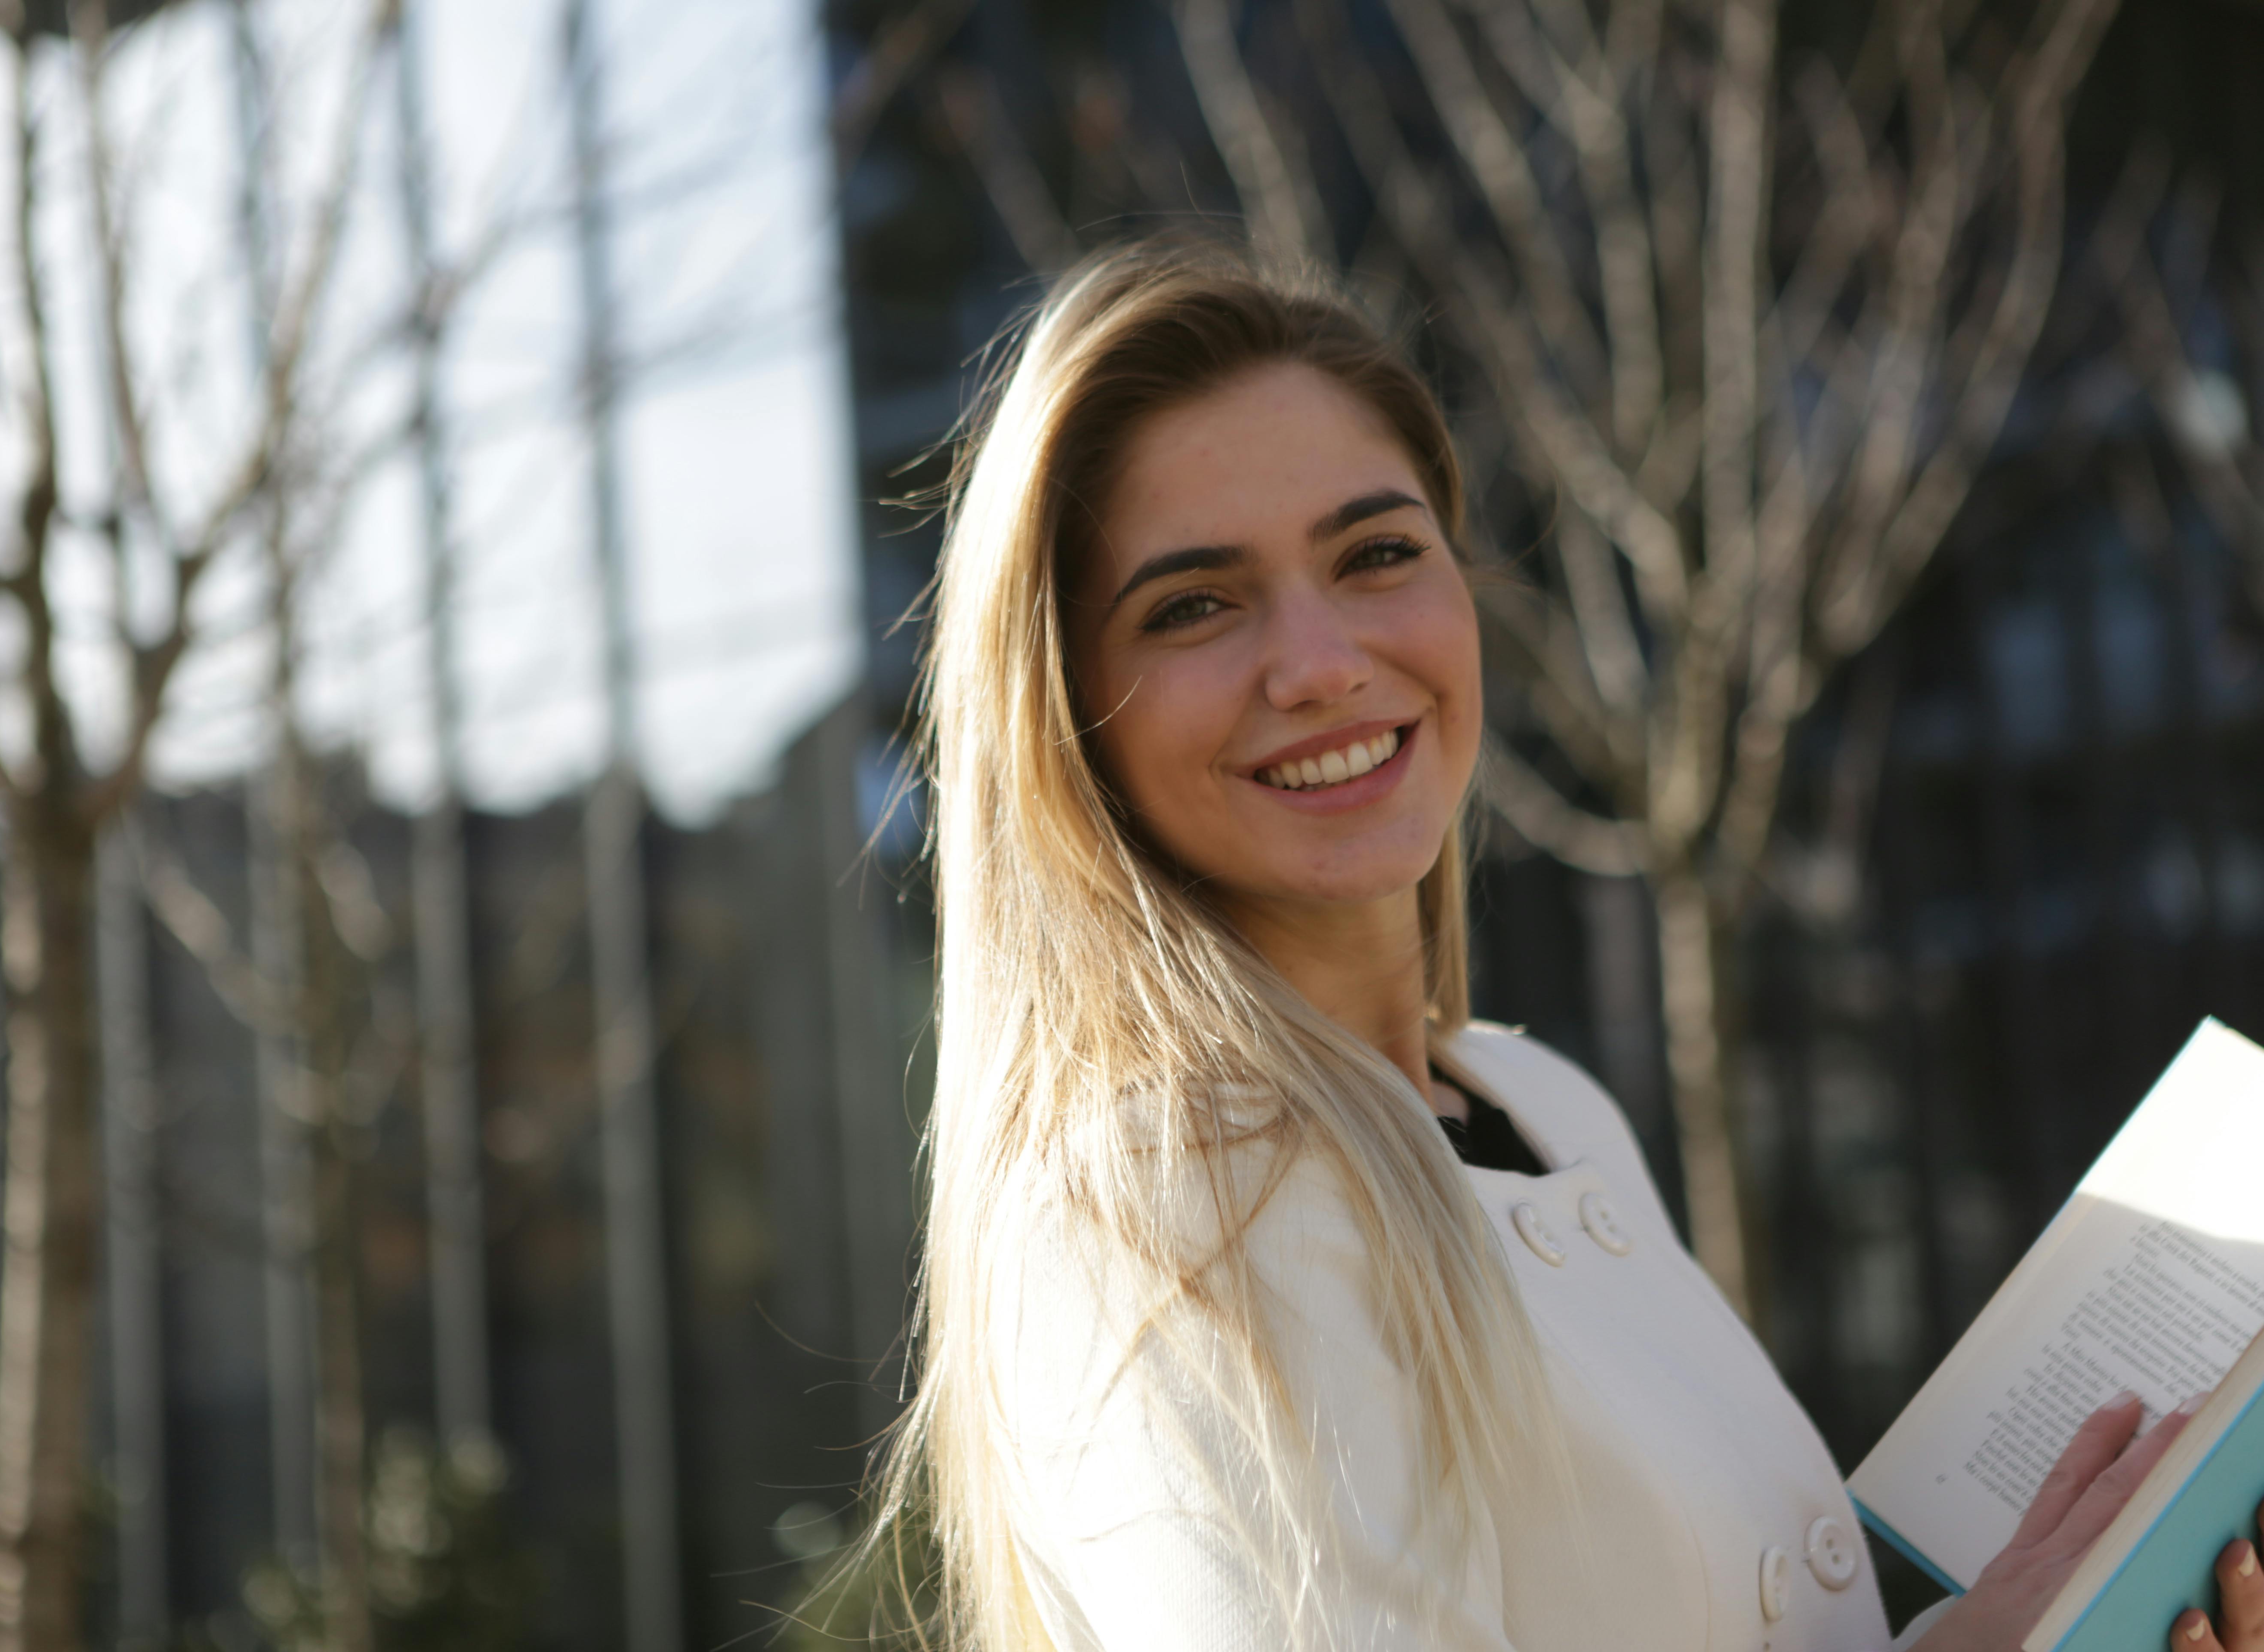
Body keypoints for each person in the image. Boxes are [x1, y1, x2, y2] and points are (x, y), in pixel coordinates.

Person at [866, 238, 2264, 1652]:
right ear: (1065, 719)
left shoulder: (1543, 1104)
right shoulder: (1152, 1210)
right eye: (1193, 606)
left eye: (1378, 554)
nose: (1322, 661)